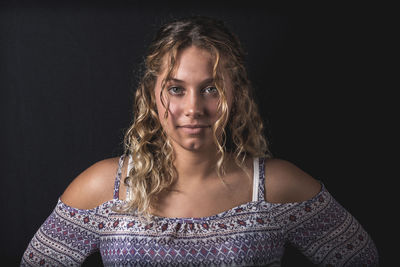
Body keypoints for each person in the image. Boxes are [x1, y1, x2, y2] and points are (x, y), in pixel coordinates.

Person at [21, 16, 378, 266]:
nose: (193, 108)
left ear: (235, 94)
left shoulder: (276, 186)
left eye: (211, 89)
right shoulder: (103, 187)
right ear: (150, 94)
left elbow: (363, 259)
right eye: (176, 89)